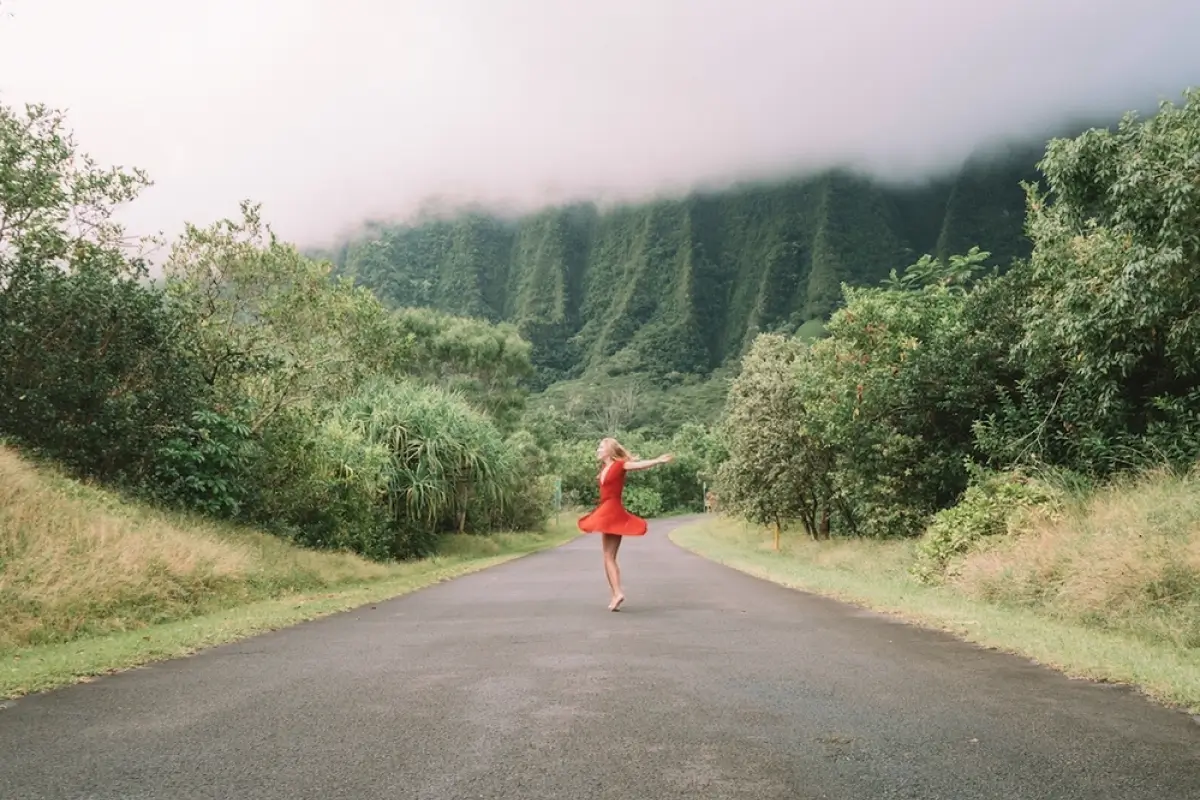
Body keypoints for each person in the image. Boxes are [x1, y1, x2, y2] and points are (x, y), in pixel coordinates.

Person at [577, 437, 673, 611]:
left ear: (610, 451)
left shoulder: (620, 465)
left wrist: (658, 460)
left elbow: (639, 465)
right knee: (609, 556)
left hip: (610, 510)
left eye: (601, 447)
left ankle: (617, 593)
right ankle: (615, 594)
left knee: (608, 556)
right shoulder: (605, 468)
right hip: (609, 510)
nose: (597, 450)